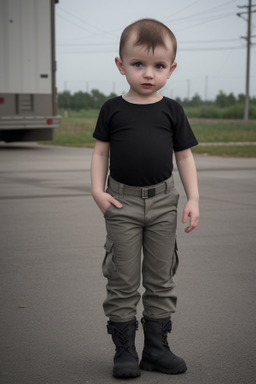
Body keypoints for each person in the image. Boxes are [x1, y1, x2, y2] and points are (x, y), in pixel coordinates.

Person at [90, 18, 199, 379]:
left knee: (161, 278)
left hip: (165, 203)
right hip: (121, 204)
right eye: (138, 64)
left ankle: (156, 349)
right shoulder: (112, 109)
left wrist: (193, 199)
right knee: (122, 278)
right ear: (121, 65)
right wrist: (97, 191)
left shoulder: (172, 111)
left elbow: (184, 157)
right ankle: (124, 351)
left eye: (158, 66)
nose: (148, 73)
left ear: (171, 69)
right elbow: (100, 154)